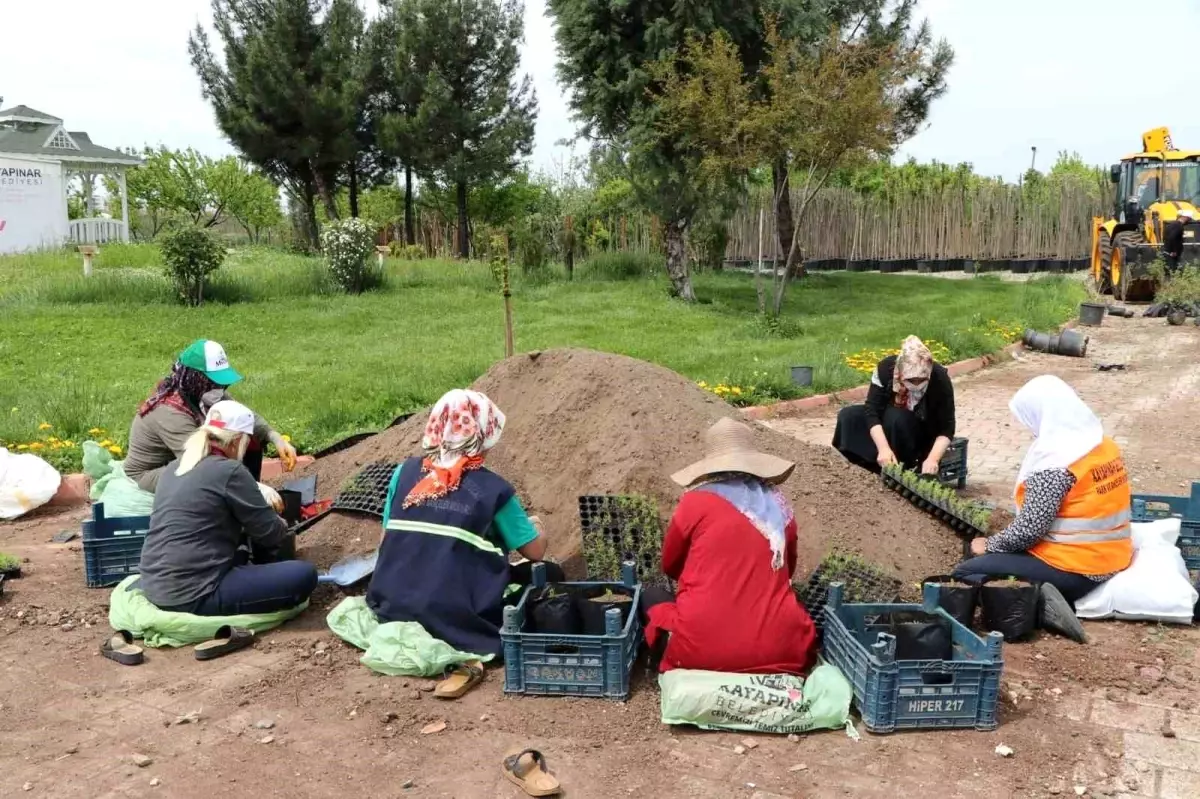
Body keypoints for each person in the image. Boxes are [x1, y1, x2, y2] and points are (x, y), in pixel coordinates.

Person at [365, 389, 561, 662]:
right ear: (483, 435)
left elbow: (388, 538)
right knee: (550, 573)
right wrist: (537, 526)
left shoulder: (403, 472)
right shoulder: (494, 490)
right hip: (452, 615)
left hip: (390, 604)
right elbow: (535, 551)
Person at [953, 375, 1133, 643]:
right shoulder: (1101, 444)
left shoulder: (1056, 463)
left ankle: (1042, 607)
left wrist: (989, 545)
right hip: (1113, 555)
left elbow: (1029, 532)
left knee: (965, 571)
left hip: (1076, 567)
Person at [642, 417, 817, 674]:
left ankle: (660, 655)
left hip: (702, 647)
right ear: (754, 464)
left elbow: (670, 564)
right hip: (779, 647)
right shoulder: (778, 507)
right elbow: (786, 570)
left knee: (652, 595)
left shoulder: (695, 502)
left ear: (711, 466)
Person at [138, 400, 318, 616]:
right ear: (236, 441)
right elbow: (271, 534)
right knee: (304, 574)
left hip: (154, 586)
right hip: (195, 594)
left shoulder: (174, 468)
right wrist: (280, 520)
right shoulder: (230, 471)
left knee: (241, 555)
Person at [124, 339, 297, 493]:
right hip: (149, 474)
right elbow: (199, 463)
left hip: (182, 461)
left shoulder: (203, 393)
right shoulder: (170, 412)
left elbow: (245, 418)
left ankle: (246, 496)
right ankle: (243, 497)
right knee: (207, 472)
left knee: (243, 435)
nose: (219, 388)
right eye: (213, 382)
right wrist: (252, 488)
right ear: (195, 379)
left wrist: (276, 438)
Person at [832, 335, 956, 474]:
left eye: (922, 380)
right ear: (900, 373)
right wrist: (883, 448)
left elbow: (947, 428)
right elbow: (872, 411)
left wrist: (932, 459)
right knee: (848, 416)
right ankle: (867, 465)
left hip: (918, 429)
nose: (916, 385)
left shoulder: (939, 378)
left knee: (896, 417)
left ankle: (902, 468)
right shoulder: (885, 369)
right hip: (889, 423)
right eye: (911, 380)